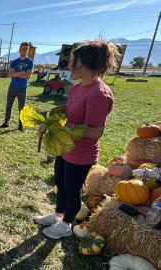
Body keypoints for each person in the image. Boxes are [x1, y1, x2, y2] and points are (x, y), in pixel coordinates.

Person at [33, 40, 119, 239]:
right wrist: (49, 121)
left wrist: (65, 127)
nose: (69, 65)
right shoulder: (76, 88)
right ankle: (57, 216)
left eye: (72, 61)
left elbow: (96, 131)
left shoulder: (99, 94)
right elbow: (68, 112)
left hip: (81, 155)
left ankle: (65, 225)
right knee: (61, 185)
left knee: (72, 191)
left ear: (84, 63)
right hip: (66, 148)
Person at [0, 42, 34, 131]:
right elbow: (10, 74)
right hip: (12, 87)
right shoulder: (15, 62)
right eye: (23, 49)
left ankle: (20, 125)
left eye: (26, 49)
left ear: (28, 50)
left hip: (22, 88)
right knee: (8, 106)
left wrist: (16, 74)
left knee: (22, 108)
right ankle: (6, 122)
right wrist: (22, 72)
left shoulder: (30, 62)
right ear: (19, 50)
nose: (24, 51)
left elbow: (28, 76)